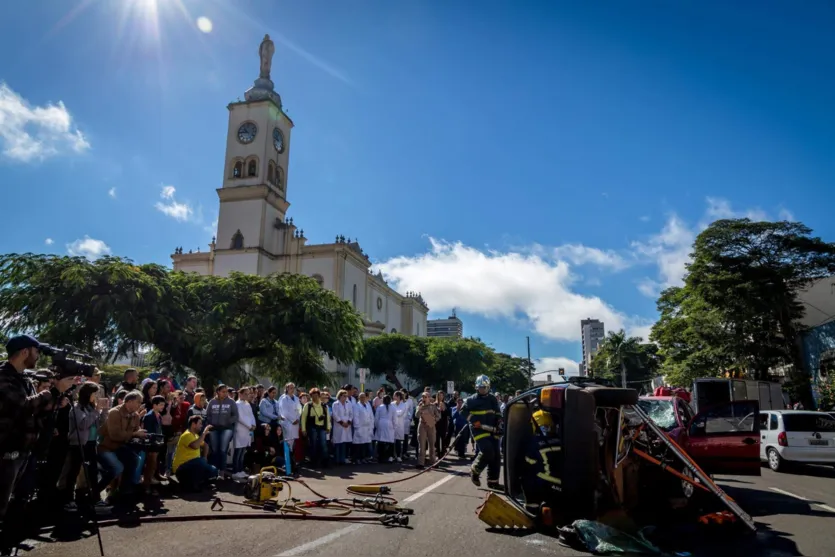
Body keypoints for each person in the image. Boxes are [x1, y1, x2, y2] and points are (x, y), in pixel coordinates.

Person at [0, 335, 77, 521]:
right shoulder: (3, 377)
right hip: (5, 451)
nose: (38, 356)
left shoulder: (24, 379)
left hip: (23, 449)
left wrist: (58, 400)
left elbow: (37, 410)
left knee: (11, 501)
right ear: (24, 352)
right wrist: (54, 391)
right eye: (36, 352)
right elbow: (23, 406)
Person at [97, 390, 147, 499]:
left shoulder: (136, 416)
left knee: (134, 459)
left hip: (121, 447)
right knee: (117, 468)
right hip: (106, 447)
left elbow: (135, 431)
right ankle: (95, 491)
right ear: (129, 401)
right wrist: (135, 434)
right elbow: (115, 435)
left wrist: (141, 435)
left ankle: (124, 489)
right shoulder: (114, 412)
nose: (140, 405)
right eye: (138, 402)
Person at [461, 374, 502, 489]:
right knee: (488, 450)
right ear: (476, 387)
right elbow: (462, 412)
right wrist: (474, 421)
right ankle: (475, 470)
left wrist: (499, 422)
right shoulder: (470, 400)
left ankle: (493, 482)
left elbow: (498, 413)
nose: (482, 390)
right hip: (478, 429)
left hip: (493, 429)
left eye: (484, 388)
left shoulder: (493, 399)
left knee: (496, 455)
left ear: (488, 387)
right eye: (480, 387)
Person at [520, 409, 563, 507]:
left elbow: (529, 460)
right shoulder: (561, 439)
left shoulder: (534, 442)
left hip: (545, 482)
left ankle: (532, 506)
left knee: (526, 475)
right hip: (563, 482)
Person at [172, 416, 217, 491]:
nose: (201, 426)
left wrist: (205, 457)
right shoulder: (186, 434)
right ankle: (191, 486)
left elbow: (206, 446)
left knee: (213, 470)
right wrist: (204, 433)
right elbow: (195, 446)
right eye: (200, 423)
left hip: (193, 465)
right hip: (181, 468)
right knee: (200, 462)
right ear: (193, 424)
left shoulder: (196, 435)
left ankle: (199, 483)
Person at [205, 384, 238, 478]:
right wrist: (211, 422)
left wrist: (228, 421)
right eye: (223, 391)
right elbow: (208, 415)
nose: (225, 393)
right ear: (218, 392)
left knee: (223, 450)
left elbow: (235, 415)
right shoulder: (212, 402)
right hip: (214, 429)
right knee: (215, 450)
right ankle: (215, 470)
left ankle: (222, 471)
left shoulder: (231, 402)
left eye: (226, 391)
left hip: (227, 428)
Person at [301, 388, 331, 467]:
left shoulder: (324, 405)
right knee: (313, 444)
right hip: (312, 427)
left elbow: (327, 417)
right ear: (311, 396)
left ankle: (325, 462)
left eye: (317, 395)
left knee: (323, 444)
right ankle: (313, 462)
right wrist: (303, 429)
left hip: (322, 427)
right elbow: (303, 418)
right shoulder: (308, 405)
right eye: (313, 395)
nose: (315, 397)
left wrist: (328, 427)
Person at [278, 383, 302, 475]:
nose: (292, 389)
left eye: (293, 388)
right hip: (288, 423)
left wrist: (297, 419)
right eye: (290, 388)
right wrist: (293, 420)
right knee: (287, 444)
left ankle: (292, 465)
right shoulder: (284, 398)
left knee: (292, 445)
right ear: (287, 388)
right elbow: (284, 412)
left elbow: (300, 409)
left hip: (295, 423)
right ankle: (288, 466)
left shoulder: (296, 398)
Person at [233, 387, 256, 479]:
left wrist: (253, 424)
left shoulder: (247, 404)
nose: (247, 395)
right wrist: (249, 426)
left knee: (243, 452)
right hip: (240, 429)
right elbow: (239, 418)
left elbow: (251, 415)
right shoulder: (237, 404)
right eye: (245, 394)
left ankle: (241, 470)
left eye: (248, 394)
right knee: (238, 451)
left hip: (248, 430)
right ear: (240, 394)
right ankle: (235, 471)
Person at [415, 392, 441, 468]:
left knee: (432, 444)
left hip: (431, 426)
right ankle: (421, 463)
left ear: (429, 398)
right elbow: (416, 415)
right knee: (422, 445)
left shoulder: (433, 406)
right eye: (423, 397)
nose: (424, 398)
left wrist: (434, 420)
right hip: (422, 425)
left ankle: (433, 462)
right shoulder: (420, 405)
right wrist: (419, 409)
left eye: (425, 397)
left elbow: (439, 416)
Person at [332, 389, 354, 464]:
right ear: (340, 396)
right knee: (338, 443)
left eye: (346, 396)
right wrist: (341, 423)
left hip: (347, 426)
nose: (345, 398)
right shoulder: (335, 404)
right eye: (344, 396)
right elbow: (335, 415)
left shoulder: (349, 404)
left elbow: (351, 413)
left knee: (344, 443)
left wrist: (349, 422)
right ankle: (337, 460)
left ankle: (343, 459)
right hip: (339, 425)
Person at [352, 392, 374, 463]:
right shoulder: (356, 406)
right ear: (359, 398)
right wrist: (357, 427)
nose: (363, 398)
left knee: (365, 444)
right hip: (360, 427)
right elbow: (356, 417)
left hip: (367, 428)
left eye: (364, 397)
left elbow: (371, 416)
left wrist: (371, 426)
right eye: (361, 397)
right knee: (358, 445)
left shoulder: (368, 405)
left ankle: (363, 458)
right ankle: (357, 459)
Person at [374, 395, 397, 463]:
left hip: (381, 424)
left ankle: (380, 457)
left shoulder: (380, 407)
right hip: (389, 424)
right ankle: (390, 457)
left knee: (381, 441)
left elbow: (376, 418)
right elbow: (394, 419)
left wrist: (377, 426)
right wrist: (394, 426)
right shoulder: (393, 408)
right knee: (390, 441)